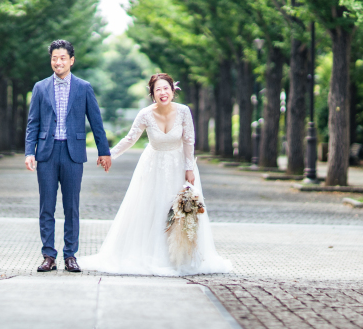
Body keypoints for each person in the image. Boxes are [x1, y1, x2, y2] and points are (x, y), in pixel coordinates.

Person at [81, 73, 231, 276]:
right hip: (153, 167)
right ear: (152, 94)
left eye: (166, 88)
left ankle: (183, 256)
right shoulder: (145, 114)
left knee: (181, 210)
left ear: (173, 90)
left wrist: (189, 168)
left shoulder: (184, 111)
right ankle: (151, 254)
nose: (163, 93)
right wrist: (109, 154)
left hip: (179, 166)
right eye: (158, 89)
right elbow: (130, 138)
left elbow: (189, 140)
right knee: (153, 208)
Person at [24, 39, 111, 273]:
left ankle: (70, 255)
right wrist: (29, 152)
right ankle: (48, 255)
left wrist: (104, 152)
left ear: (71, 60)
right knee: (47, 206)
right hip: (47, 154)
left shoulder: (83, 87)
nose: (58, 62)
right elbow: (33, 123)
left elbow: (96, 121)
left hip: (73, 154)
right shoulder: (40, 87)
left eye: (62, 58)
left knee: (71, 206)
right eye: (54, 58)